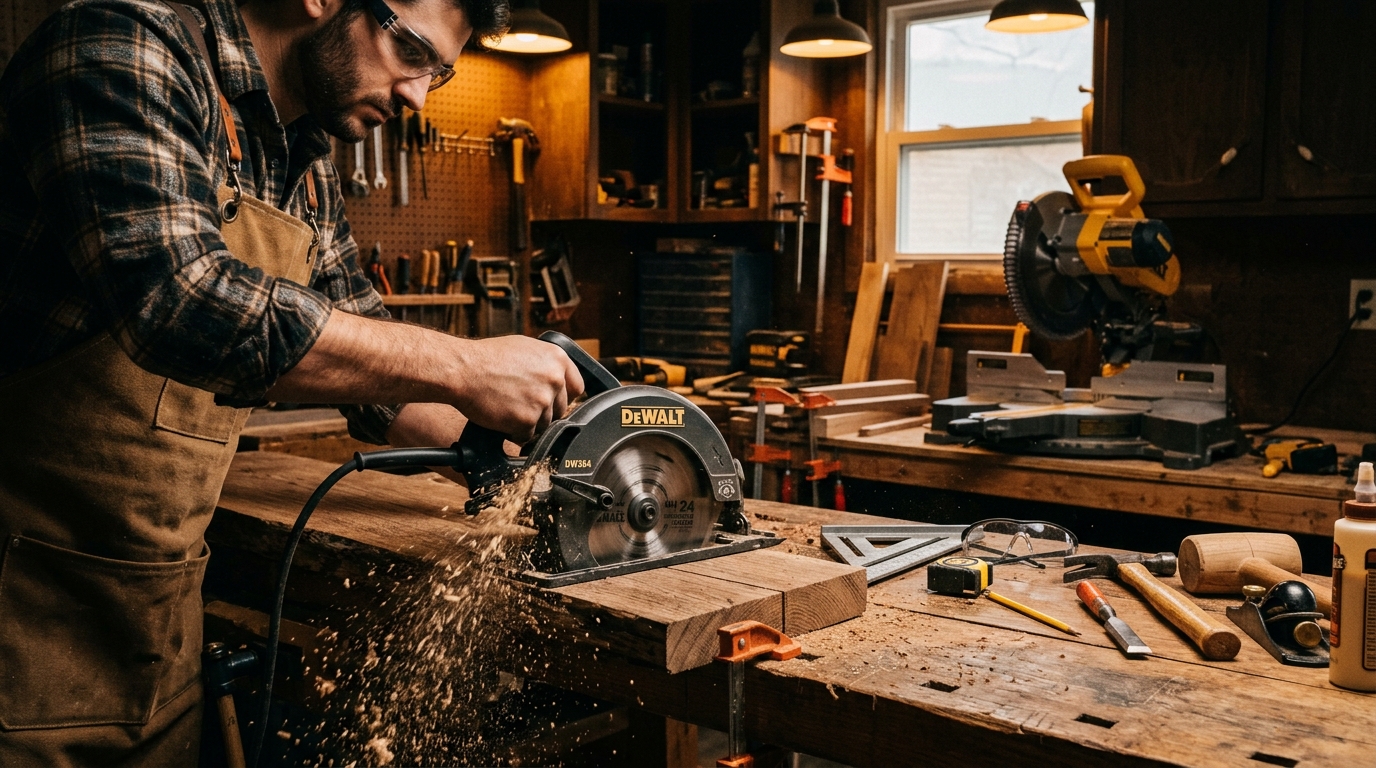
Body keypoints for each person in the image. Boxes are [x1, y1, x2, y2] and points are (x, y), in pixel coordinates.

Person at [0, 0, 581, 762]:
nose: (416, 97)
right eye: (410, 51)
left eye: (436, 75)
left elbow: (381, 385)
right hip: (19, 612)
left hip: (156, 626)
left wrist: (547, 467)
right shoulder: (122, 48)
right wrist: (470, 366)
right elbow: (180, 301)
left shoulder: (301, 161)